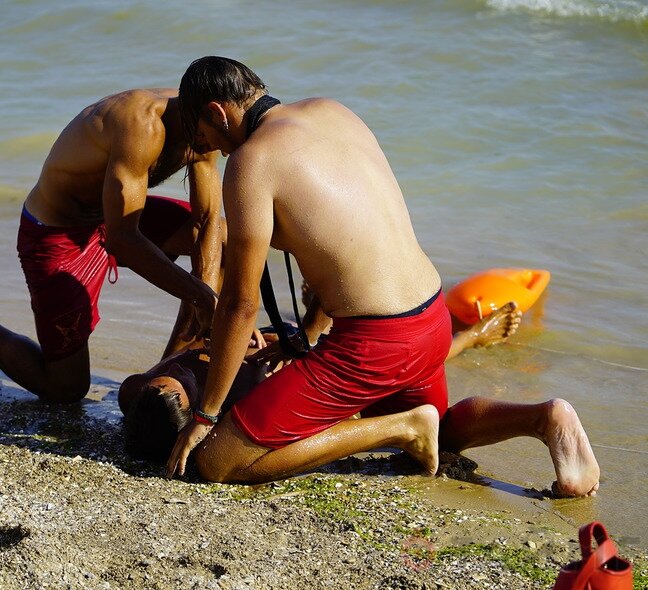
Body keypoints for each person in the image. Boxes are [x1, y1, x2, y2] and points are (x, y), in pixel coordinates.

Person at [166, 56, 599, 498]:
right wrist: (307, 339)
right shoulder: (332, 111)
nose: (217, 151)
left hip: (375, 341)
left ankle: (402, 429)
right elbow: (346, 238)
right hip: (431, 315)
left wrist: (206, 416)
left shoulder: (251, 162)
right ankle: (543, 417)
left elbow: (241, 304)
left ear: (218, 112)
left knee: (219, 461)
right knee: (444, 433)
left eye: (206, 137)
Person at [0, 89, 223, 403]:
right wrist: (201, 297)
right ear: (214, 112)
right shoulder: (142, 125)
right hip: (58, 232)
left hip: (114, 216)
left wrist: (207, 298)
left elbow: (206, 221)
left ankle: (161, 377)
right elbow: (123, 240)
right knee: (66, 388)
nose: (231, 150)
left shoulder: (205, 129)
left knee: (222, 239)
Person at [120, 303, 520, 461]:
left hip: (278, 337)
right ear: (192, 415)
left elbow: (190, 345)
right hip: (307, 362)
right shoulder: (228, 407)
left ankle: (321, 307)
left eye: (160, 384)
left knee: (393, 356)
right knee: (394, 366)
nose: (166, 380)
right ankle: (469, 338)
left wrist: (225, 337)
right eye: (175, 390)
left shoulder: (135, 392)